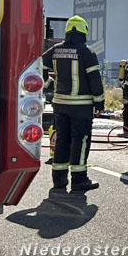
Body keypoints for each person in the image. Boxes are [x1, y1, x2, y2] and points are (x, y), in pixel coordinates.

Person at [41, 16, 105, 192]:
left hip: (60, 105)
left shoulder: (55, 50)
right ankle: (79, 179)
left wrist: (46, 85)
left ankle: (59, 180)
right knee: (80, 140)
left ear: (68, 31)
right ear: (84, 31)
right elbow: (95, 80)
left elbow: (39, 66)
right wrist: (99, 103)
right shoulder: (87, 52)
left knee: (62, 139)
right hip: (81, 106)